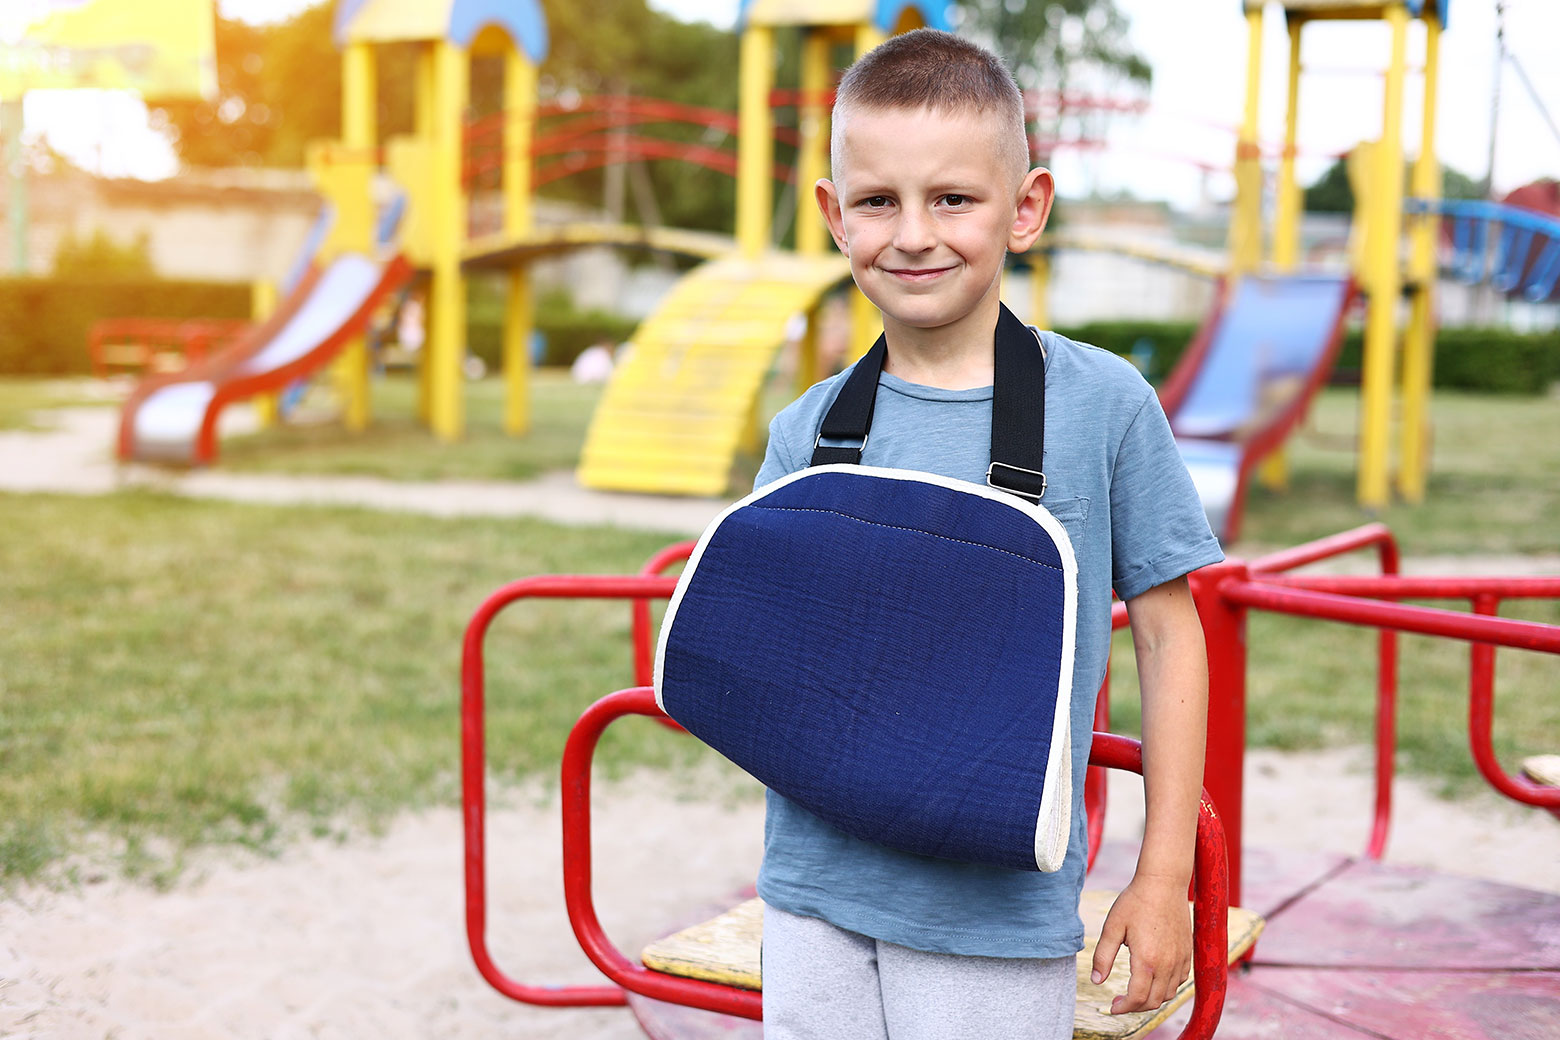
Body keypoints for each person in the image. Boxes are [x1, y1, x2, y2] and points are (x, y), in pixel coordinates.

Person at [753, 29, 1224, 1040]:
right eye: (878, 200)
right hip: (810, 894)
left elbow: (1171, 635)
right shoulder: (809, 428)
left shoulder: (1103, 407)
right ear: (836, 216)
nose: (913, 233)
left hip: (994, 918)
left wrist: (1164, 872)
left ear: (1026, 209)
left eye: (952, 198)